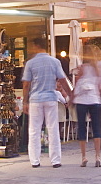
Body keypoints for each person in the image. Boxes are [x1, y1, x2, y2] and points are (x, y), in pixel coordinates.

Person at [22, 37, 72, 168]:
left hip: (35, 100)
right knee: (53, 129)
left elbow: (26, 84)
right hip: (50, 98)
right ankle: (55, 160)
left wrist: (25, 102)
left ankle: (35, 160)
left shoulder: (30, 63)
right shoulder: (54, 62)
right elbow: (62, 80)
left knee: (34, 130)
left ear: (36, 46)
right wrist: (71, 95)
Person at [72, 48, 101, 168]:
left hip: (81, 101)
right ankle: (97, 156)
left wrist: (71, 98)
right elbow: (100, 85)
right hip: (95, 100)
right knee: (96, 128)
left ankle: (84, 157)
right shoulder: (97, 69)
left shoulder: (81, 67)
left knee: (82, 128)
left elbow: (77, 82)